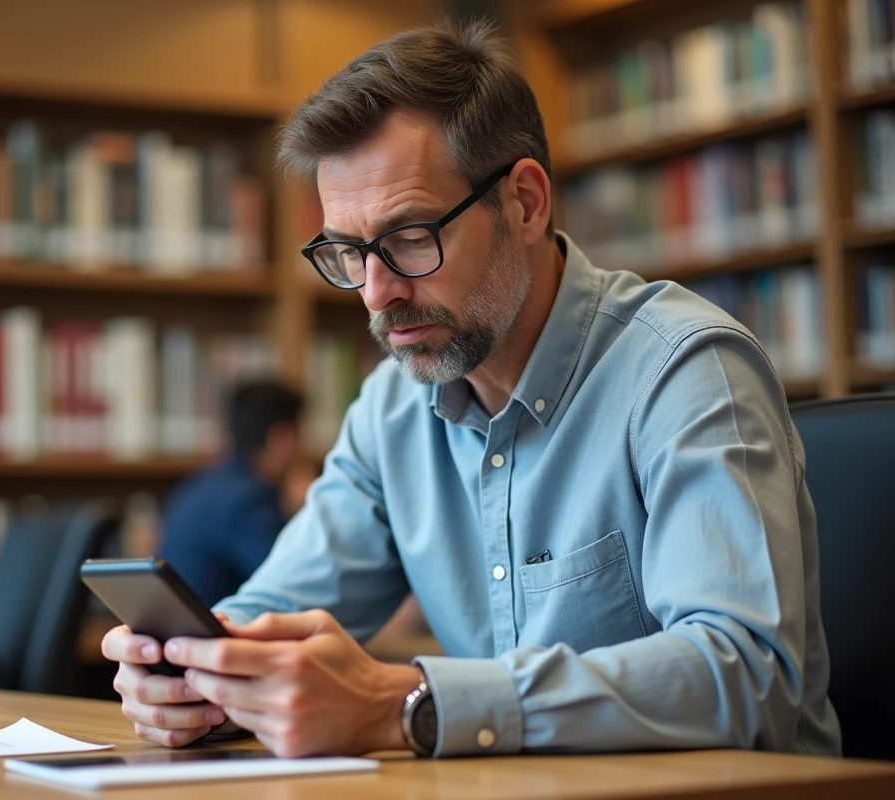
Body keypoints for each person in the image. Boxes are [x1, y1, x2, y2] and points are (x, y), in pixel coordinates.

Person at [101, 20, 841, 759]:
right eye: (349, 253)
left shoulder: (684, 370)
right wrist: (195, 678)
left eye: (411, 237)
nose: (375, 294)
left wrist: (409, 705)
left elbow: (747, 678)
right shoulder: (391, 410)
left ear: (524, 202)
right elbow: (272, 615)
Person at [158, 382, 308, 607]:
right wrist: (305, 512)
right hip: (213, 634)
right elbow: (295, 585)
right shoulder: (250, 502)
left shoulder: (196, 486)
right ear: (281, 439)